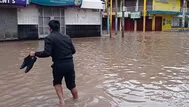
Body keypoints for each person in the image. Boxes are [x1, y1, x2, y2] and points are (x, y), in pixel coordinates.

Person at [29, 20, 78, 105]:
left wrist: (35, 53)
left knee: (57, 83)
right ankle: (77, 101)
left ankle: (62, 102)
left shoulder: (49, 38)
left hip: (59, 65)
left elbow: (47, 53)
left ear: (49, 29)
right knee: (72, 85)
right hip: (70, 64)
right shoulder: (67, 37)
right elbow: (73, 51)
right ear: (59, 27)